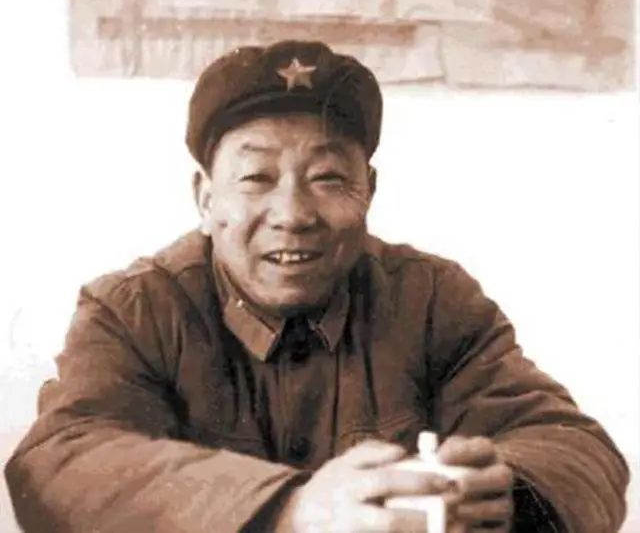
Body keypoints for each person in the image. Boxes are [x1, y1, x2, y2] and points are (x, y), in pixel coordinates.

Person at [5, 40, 628, 532]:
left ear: (368, 192)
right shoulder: (134, 310)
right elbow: (60, 464)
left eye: (328, 178)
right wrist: (290, 509)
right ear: (206, 198)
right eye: (256, 177)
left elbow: (576, 448)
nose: (293, 213)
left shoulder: (432, 300)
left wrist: (506, 491)